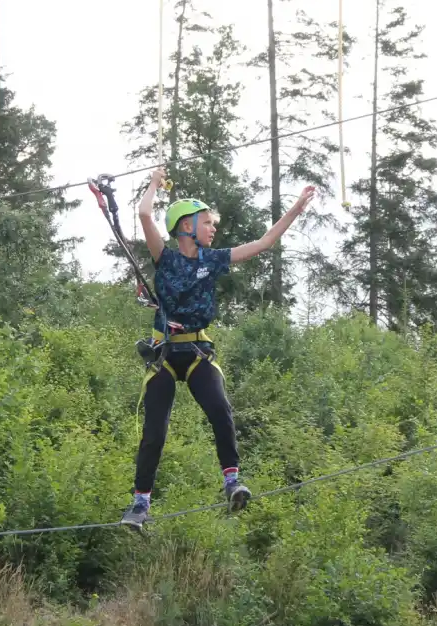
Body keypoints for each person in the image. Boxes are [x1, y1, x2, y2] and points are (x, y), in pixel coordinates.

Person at [121, 166, 316, 530]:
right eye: (208, 222)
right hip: (164, 354)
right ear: (186, 227)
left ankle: (231, 480)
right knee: (154, 432)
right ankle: (140, 503)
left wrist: (295, 210)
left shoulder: (212, 259)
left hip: (196, 352)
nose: (214, 229)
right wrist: (153, 183)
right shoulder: (165, 257)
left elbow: (262, 244)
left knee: (220, 411)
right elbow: (145, 213)